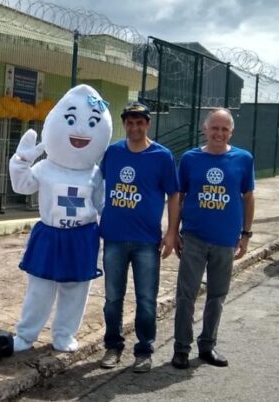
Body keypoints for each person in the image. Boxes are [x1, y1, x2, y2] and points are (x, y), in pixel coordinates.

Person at [9, 84, 112, 353]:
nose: (80, 131)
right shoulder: (44, 167)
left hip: (83, 235)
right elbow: (22, 186)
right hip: (50, 234)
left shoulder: (96, 173)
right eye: (71, 120)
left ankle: (65, 334)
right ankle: (26, 334)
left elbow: (103, 205)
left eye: (92, 123)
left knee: (76, 290)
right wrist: (21, 160)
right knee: (40, 289)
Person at [170, 108, 255, 369]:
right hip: (194, 237)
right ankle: (181, 349)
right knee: (186, 295)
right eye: (214, 128)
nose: (219, 133)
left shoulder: (243, 159)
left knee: (217, 295)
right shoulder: (190, 159)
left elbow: (248, 198)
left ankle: (207, 345)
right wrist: (173, 232)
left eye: (224, 129)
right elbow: (179, 197)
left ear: (231, 132)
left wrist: (245, 235)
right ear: (205, 129)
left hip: (225, 240)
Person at [98, 102, 179, 373]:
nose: (135, 127)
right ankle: (113, 346)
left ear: (148, 124)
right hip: (114, 237)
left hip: (146, 240)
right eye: (130, 122)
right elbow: (97, 184)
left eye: (140, 122)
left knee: (146, 298)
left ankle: (144, 350)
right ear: (124, 124)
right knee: (112, 297)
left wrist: (171, 232)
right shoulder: (113, 152)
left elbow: (174, 194)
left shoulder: (162, 156)